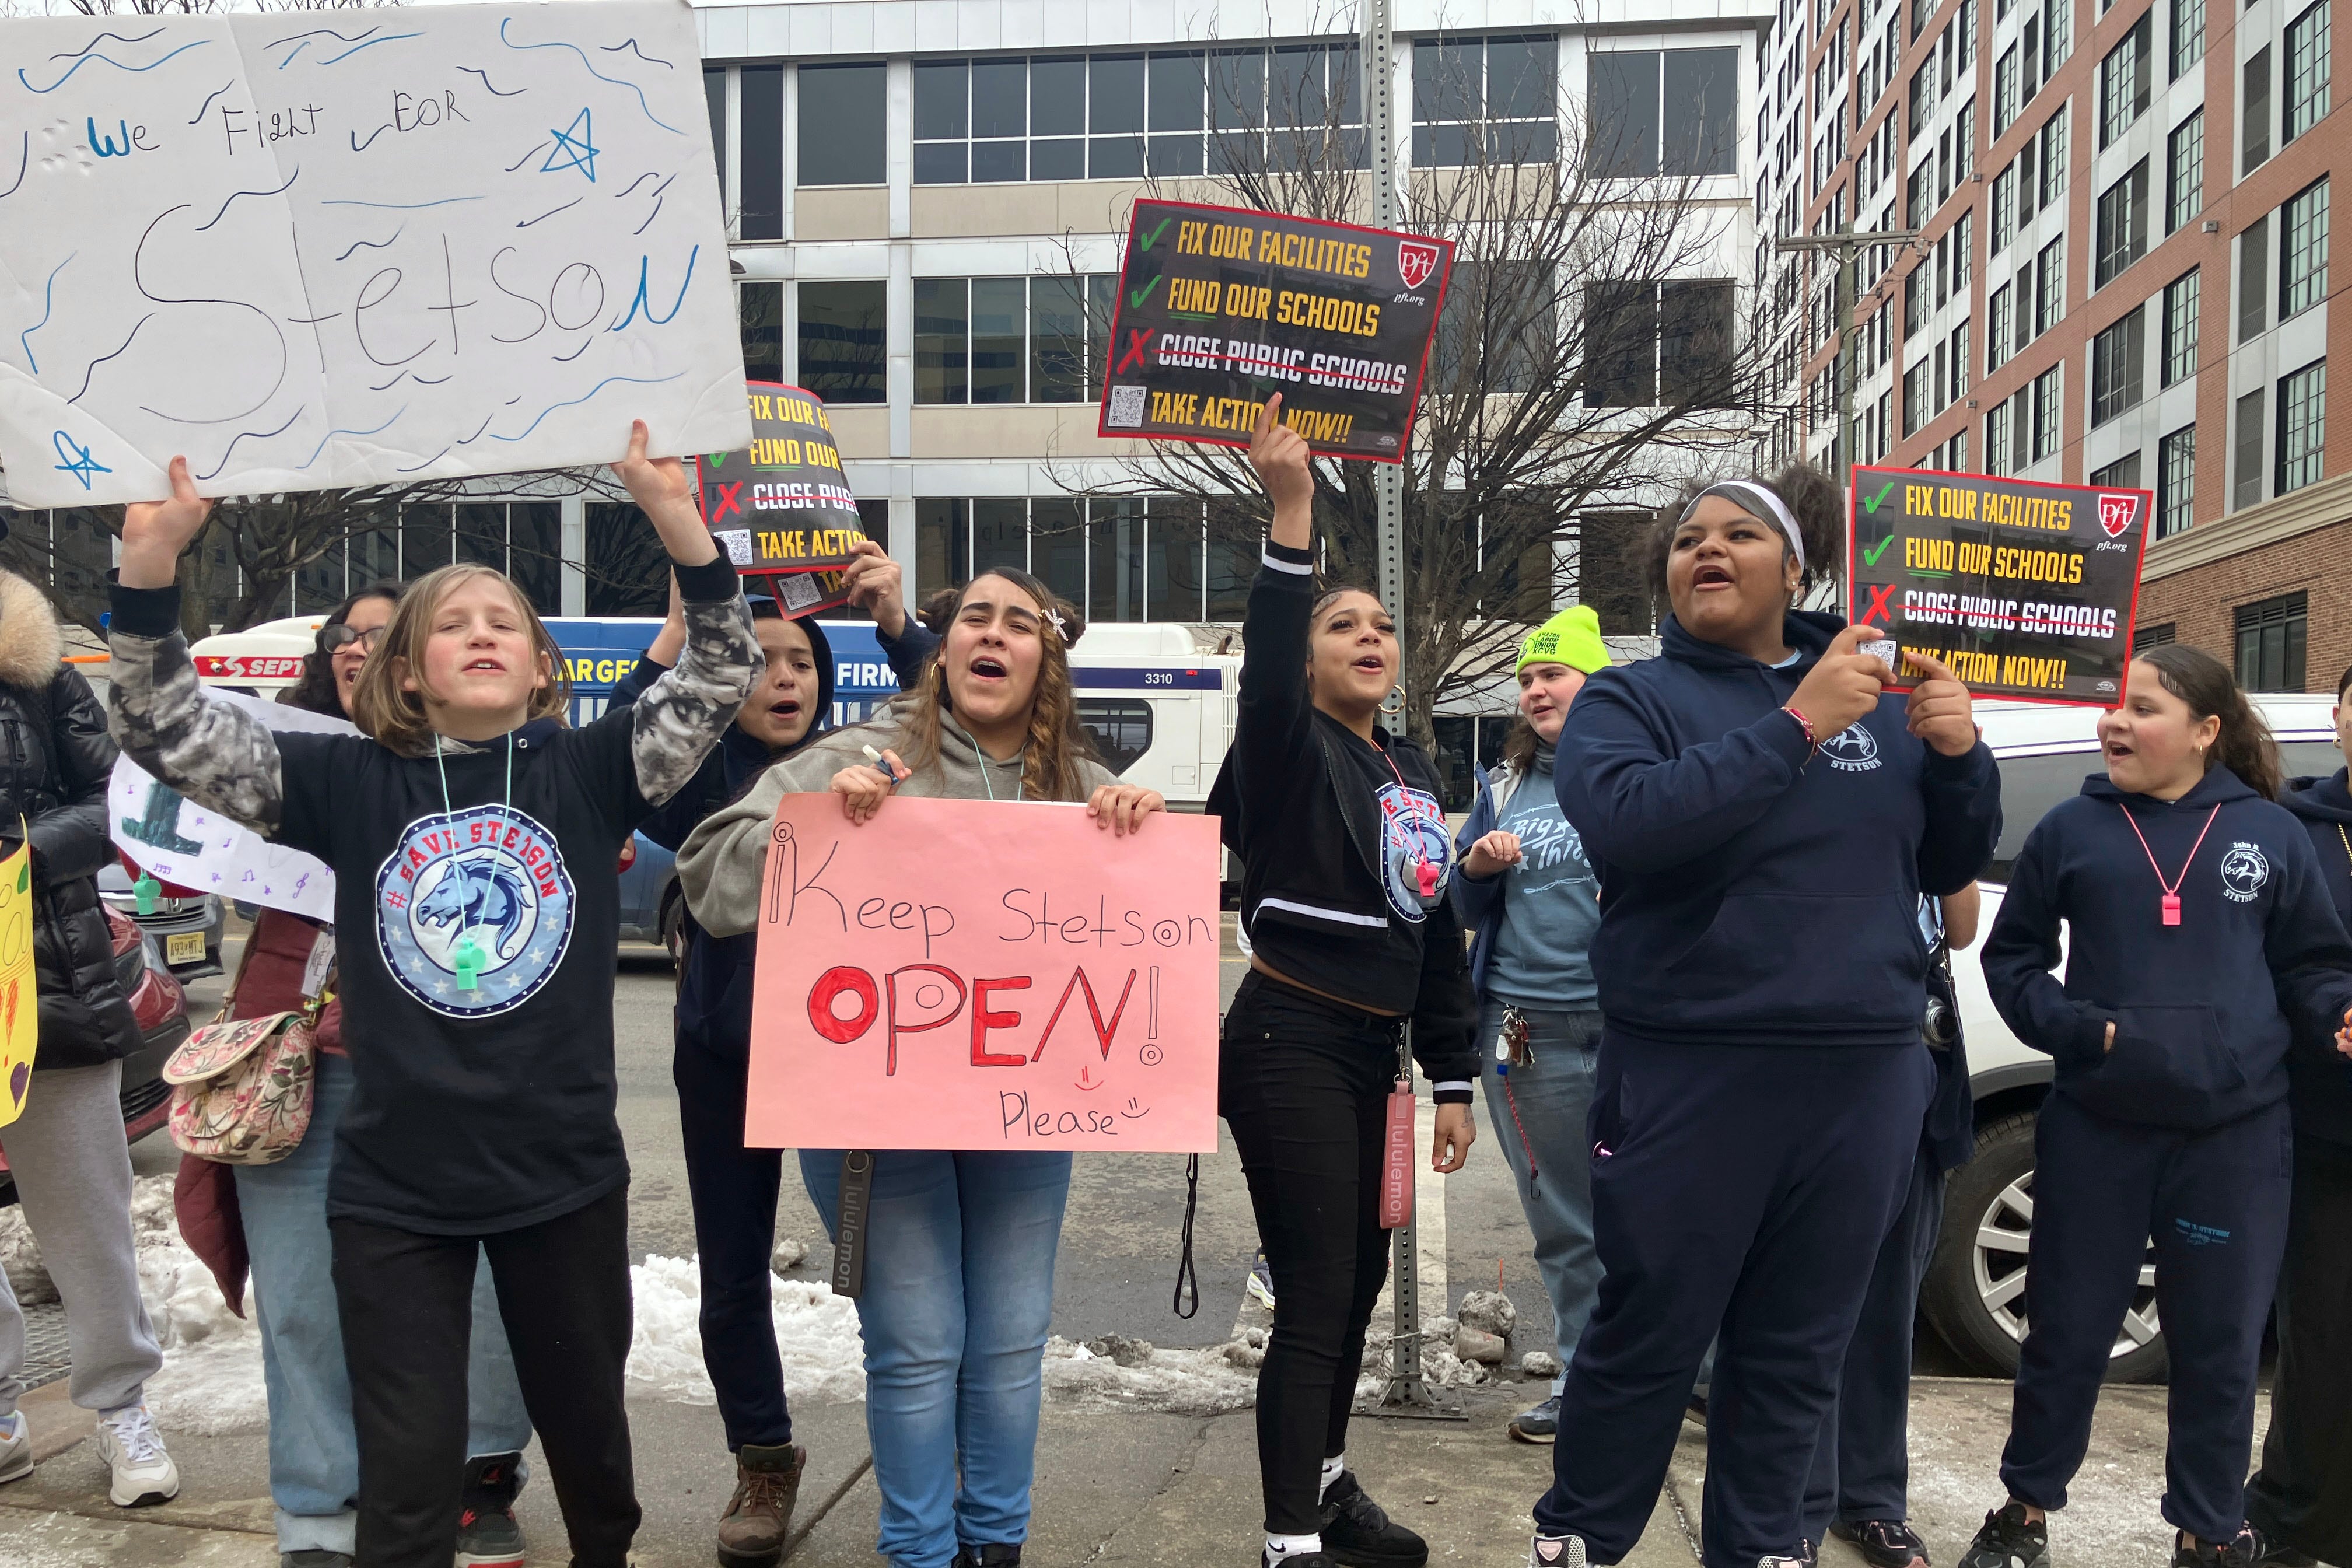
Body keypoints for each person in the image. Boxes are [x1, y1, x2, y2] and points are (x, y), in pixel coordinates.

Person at [105, 424, 761, 1568]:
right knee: (408, 1495)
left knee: (596, 1467)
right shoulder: (347, 780)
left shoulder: (592, 770)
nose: (479, 633)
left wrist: (676, 523)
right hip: (394, 1190)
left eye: (503, 620)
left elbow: (718, 669)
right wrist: (151, 570)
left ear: (540, 663)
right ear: (405, 670)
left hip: (560, 1180)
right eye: (450, 623)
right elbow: (165, 727)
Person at [1527, 466, 2001, 1568]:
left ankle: (1762, 1544)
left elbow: (1942, 862)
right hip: (1690, 1067)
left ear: (1795, 569)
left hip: (1862, 1073)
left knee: (1797, 1347)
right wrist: (1794, 724)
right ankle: (1581, 1538)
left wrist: (1957, 754)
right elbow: (1630, 825)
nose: (1707, 549)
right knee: (1649, 1331)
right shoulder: (1629, 700)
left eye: (1740, 534)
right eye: (1688, 538)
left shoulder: (1879, 695)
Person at [677, 565, 1162, 1568]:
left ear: (1045, 656)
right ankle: (918, 1550)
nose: (992, 633)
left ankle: (995, 1544)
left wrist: (1135, 829)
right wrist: (805, 828)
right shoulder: (867, 752)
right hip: (870, 1110)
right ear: (943, 649)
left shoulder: (1079, 781)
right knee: (918, 1338)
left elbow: (1134, 922)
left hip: (1019, 1112)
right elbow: (707, 873)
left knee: (1011, 1335)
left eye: (1017, 622)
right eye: (972, 617)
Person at [170, 583, 539, 1568]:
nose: (359, 647)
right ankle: (323, 1512)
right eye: (347, 634)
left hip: (453, 1070)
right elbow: (165, 751)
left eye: (384, 633)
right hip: (303, 1063)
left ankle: (480, 1474)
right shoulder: (281, 763)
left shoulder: (508, 765)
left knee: (490, 1283)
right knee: (301, 1297)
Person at [1969, 646, 2352, 1568]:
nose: (2115, 722)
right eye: (2116, 706)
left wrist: (2338, 1011)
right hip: (2100, 1125)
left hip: (2236, 1138)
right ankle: (2023, 1516)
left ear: (2205, 731)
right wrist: (2076, 1029)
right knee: (2065, 1334)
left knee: (2218, 1347)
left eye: (2142, 709)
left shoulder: (2270, 834)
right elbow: (2011, 960)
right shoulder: (2071, 830)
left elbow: (2310, 964)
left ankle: (2209, 1530)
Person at [608, 540, 938, 1567]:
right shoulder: (689, 776)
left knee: (903, 1272)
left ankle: (926, 1454)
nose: (781, 676)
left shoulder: (874, 760)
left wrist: (896, 625)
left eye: (798, 659)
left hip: (859, 1058)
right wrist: (673, 636)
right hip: (727, 1052)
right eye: (753, 660)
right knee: (733, 1270)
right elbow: (614, 753)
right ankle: (761, 1454)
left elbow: (972, 708)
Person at [1207, 398, 1480, 1568]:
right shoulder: (1280, 747)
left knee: (1361, 1284)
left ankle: (1325, 1489)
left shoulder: (1407, 763)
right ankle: (1289, 1546)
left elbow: (1437, 926)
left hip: (1379, 1056)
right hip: (1289, 1043)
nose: (1370, 637)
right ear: (1307, 657)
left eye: (1380, 625)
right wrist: (1293, 514)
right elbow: (1266, 678)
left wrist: (1454, 1073)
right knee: (1318, 1295)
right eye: (1341, 625)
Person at [0, 564, 180, 1510]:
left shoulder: (35, 662)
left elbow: (117, 799)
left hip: (42, 973)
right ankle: (0, 1411)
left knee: (83, 1204)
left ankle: (120, 1405)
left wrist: (22, 852)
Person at [1448, 605, 1613, 1446]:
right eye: (1526, 678)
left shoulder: (1642, 768)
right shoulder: (1504, 785)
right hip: (1524, 1030)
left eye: (1553, 672)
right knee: (1563, 1220)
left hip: (1632, 1028)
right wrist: (1475, 864)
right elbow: (1461, 902)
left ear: (1598, 681)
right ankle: (1585, 1384)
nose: (1536, 689)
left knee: (1658, 1211)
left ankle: (1685, 1376)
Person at [1800, 883, 1981, 1567]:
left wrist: (1947, 829)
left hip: (1911, 1047)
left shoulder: (1928, 794)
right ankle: (1797, 1507)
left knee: (1888, 1303)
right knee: (1806, 1307)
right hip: (1820, 1049)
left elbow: (1960, 929)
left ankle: (1872, 1499)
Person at [2245, 660, 2352, 1567]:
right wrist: (2333, 1011)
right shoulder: (2297, 831)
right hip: (2329, 1125)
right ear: (2339, 718)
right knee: (2324, 1333)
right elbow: (2273, 956)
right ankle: (2293, 1513)